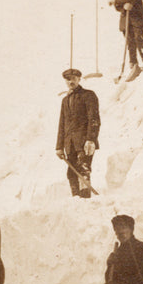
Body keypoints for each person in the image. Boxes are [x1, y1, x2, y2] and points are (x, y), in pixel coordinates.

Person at [55, 68, 100, 198]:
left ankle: (85, 199)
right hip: (69, 144)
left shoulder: (88, 95)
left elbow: (94, 119)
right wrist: (59, 147)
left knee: (83, 170)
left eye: (74, 79)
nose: (71, 82)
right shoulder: (65, 100)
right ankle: (76, 200)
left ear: (79, 79)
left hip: (84, 143)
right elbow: (62, 125)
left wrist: (91, 139)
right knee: (71, 173)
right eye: (68, 79)